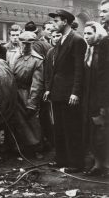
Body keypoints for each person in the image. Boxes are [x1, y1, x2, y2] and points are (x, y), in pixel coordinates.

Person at [44, 10, 87, 173]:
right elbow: (56, 69)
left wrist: (75, 92)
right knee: (60, 129)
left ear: (65, 22)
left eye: (56, 21)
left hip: (70, 94)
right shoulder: (62, 40)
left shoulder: (77, 40)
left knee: (72, 129)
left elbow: (79, 70)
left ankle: (76, 163)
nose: (53, 24)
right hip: (58, 93)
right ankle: (61, 160)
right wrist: (49, 89)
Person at [8, 31, 44, 157]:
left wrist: (32, 103)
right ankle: (13, 148)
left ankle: (35, 149)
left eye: (29, 44)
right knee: (12, 121)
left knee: (30, 121)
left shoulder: (37, 60)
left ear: (33, 44)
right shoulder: (11, 54)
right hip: (11, 92)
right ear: (19, 42)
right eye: (23, 43)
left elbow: (37, 84)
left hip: (25, 93)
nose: (25, 46)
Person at [82, 21, 108, 176]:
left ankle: (104, 164)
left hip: (102, 96)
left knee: (103, 131)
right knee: (93, 130)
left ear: (97, 33)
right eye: (84, 33)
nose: (86, 37)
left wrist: (103, 102)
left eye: (89, 33)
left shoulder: (102, 50)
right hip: (90, 97)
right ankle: (98, 163)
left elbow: (103, 77)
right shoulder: (88, 50)